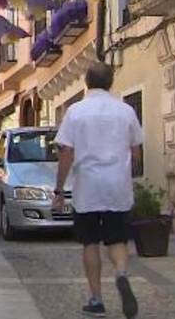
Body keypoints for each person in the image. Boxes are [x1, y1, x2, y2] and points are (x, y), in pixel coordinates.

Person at [53, 62, 143, 319]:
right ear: (111, 82)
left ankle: (96, 299)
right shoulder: (125, 111)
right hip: (118, 185)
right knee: (117, 239)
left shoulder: (75, 112)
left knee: (89, 241)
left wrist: (59, 190)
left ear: (86, 82)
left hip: (88, 186)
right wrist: (126, 171)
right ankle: (122, 273)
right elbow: (136, 152)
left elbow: (66, 153)